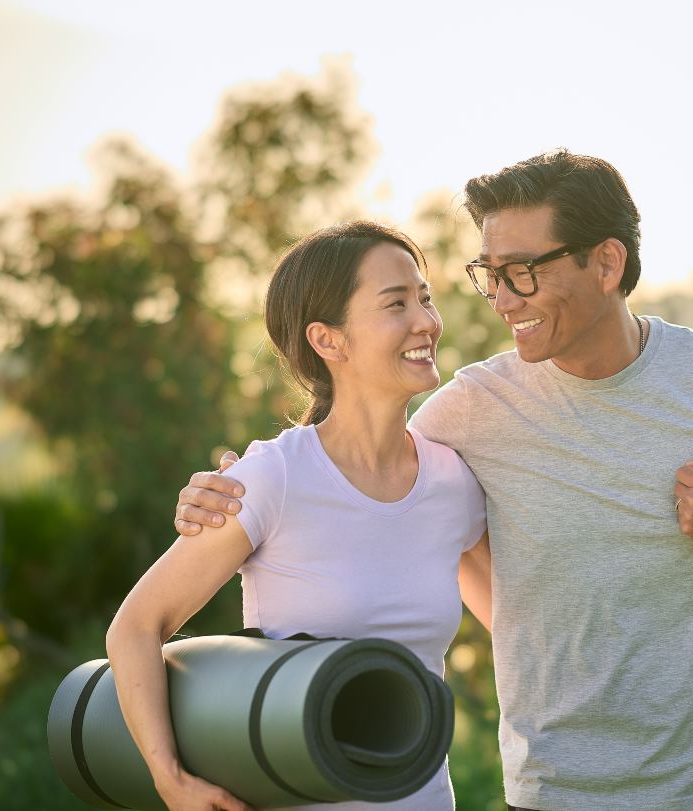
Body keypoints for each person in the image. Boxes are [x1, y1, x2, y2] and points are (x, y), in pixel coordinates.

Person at [174, 151, 693, 811]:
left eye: (522, 270)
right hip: (553, 793)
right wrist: (240, 481)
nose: (500, 297)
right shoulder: (470, 407)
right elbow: (352, 463)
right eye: (489, 273)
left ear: (607, 263)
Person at [106, 221, 491, 811]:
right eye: (395, 304)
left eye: (425, 297)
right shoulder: (273, 478)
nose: (426, 321)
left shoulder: (452, 482)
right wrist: (170, 778)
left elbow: (517, 623)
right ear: (328, 340)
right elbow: (134, 628)